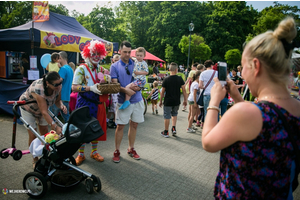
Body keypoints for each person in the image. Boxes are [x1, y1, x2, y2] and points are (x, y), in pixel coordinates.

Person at [202, 17, 300, 199]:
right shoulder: (295, 108)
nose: (242, 74)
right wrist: (238, 98)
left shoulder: (246, 114)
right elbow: (263, 120)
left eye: (243, 66)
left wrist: (214, 102)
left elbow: (208, 142)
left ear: (255, 65)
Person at [19, 71, 67, 167]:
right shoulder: (38, 88)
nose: (59, 86)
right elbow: (44, 112)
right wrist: (54, 125)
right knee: (33, 135)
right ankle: (35, 159)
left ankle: (45, 156)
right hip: (28, 108)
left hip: (42, 109)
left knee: (45, 134)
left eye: (60, 82)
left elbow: (58, 101)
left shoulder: (58, 85)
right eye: (56, 84)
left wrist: (61, 105)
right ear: (47, 83)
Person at [72, 40, 107, 165]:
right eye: (94, 53)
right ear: (87, 54)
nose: (96, 56)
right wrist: (90, 88)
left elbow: (108, 84)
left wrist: (105, 81)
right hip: (84, 103)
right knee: (82, 128)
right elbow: (74, 87)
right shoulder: (81, 69)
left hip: (98, 103)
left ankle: (94, 152)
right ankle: (80, 154)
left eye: (99, 53)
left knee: (95, 128)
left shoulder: (102, 69)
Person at [110, 41, 144, 163]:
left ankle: (131, 148)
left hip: (137, 99)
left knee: (134, 125)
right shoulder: (114, 66)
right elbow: (114, 85)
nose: (127, 54)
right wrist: (126, 91)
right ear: (120, 51)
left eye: (129, 52)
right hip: (122, 100)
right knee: (120, 126)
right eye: (125, 52)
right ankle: (117, 150)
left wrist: (140, 87)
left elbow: (141, 79)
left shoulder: (136, 63)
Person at [159, 62, 187, 137]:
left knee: (167, 116)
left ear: (169, 69)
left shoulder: (166, 79)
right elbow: (184, 90)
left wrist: (161, 101)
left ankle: (166, 132)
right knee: (174, 114)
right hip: (176, 101)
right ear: (176, 70)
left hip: (168, 101)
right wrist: (185, 100)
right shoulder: (179, 79)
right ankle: (174, 128)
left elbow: (162, 91)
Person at [49, 51, 73, 123]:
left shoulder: (62, 69)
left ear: (61, 58)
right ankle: (71, 132)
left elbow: (58, 82)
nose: (57, 61)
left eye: (58, 58)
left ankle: (53, 133)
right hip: (66, 97)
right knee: (67, 119)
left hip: (59, 98)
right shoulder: (70, 69)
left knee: (52, 119)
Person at [107, 54, 120, 128]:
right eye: (115, 60)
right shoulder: (112, 68)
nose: (116, 62)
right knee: (113, 106)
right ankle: (113, 121)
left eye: (118, 61)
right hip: (113, 90)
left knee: (114, 106)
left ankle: (111, 121)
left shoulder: (120, 68)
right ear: (113, 60)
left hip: (118, 89)